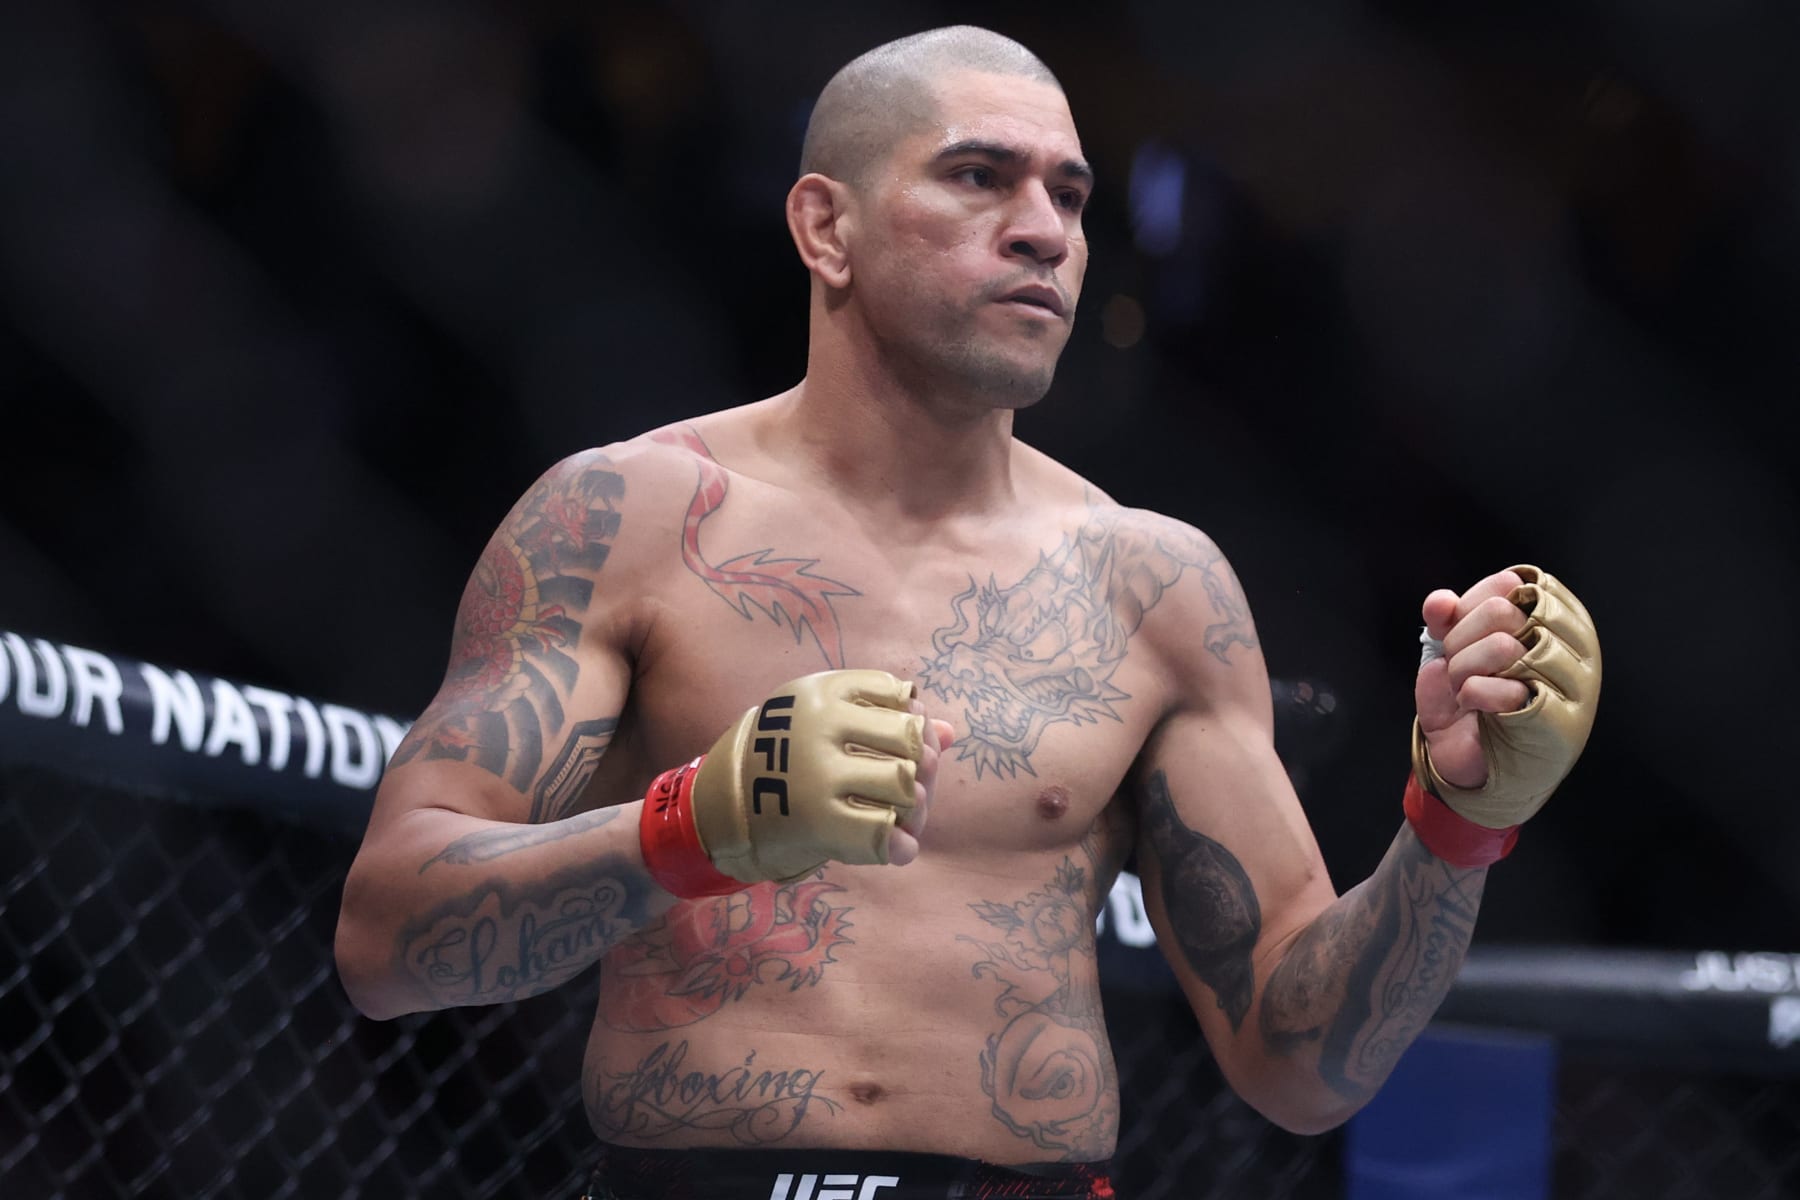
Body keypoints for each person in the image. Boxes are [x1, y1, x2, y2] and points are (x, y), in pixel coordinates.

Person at [334, 25, 1601, 1200]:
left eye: (1069, 193)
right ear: (826, 228)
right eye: (981, 177)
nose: (1043, 229)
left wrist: (1458, 828)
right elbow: (386, 943)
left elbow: (1299, 1064)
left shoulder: (1154, 585)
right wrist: (693, 829)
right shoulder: (626, 522)